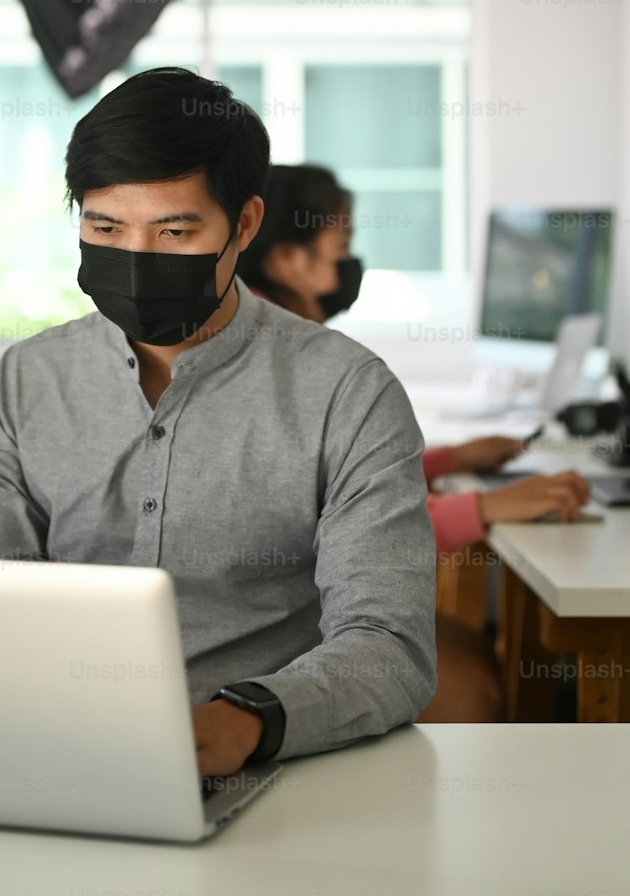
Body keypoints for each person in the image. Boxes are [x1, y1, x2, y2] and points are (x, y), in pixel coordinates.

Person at [0, 68, 437, 774]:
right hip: (57, 748)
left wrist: (250, 720)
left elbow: (392, 645)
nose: (137, 258)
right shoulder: (29, 380)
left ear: (245, 225)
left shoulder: (347, 393)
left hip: (268, 761)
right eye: (105, 226)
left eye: (174, 231)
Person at [238, 163, 591, 722]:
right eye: (342, 244)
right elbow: (343, 522)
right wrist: (485, 505)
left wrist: (452, 460)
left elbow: (343, 474)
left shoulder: (289, 341)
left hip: (301, 595)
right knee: (475, 684)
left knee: (472, 646)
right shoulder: (273, 355)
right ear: (288, 260)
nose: (352, 262)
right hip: (278, 610)